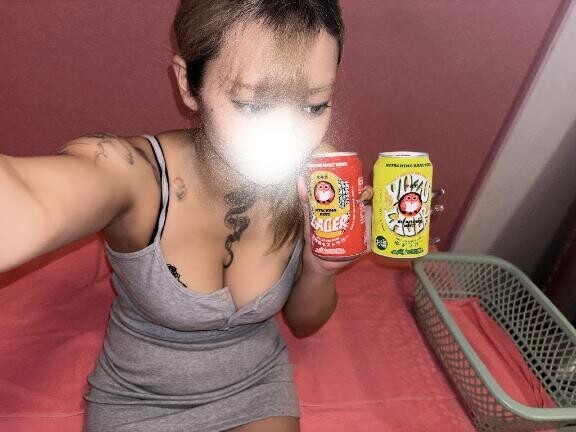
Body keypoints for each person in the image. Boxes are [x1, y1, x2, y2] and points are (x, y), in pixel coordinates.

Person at [0, 1, 372, 430]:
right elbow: (29, 195)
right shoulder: (136, 175)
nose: (291, 138)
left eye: (314, 106)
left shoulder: (318, 180)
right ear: (187, 84)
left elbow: (304, 324)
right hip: (140, 399)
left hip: (256, 385)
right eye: (253, 105)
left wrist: (320, 268)